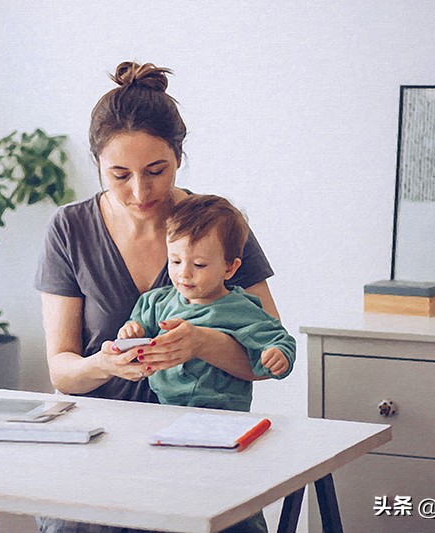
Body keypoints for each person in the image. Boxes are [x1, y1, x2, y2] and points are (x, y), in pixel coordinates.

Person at [34, 61, 284, 533]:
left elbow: (268, 357)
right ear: (97, 166)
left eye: (156, 170)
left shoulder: (220, 227)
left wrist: (199, 343)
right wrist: (103, 365)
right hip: (102, 446)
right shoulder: (69, 229)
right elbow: (61, 369)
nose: (140, 191)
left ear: (179, 158)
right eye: (120, 174)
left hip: (205, 443)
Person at [118, 194, 295, 413]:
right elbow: (136, 330)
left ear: (229, 268)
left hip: (223, 412)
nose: (184, 273)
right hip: (165, 409)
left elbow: (279, 339)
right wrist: (131, 331)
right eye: (175, 261)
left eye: (199, 264)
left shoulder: (239, 308)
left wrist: (278, 353)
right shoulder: (155, 302)